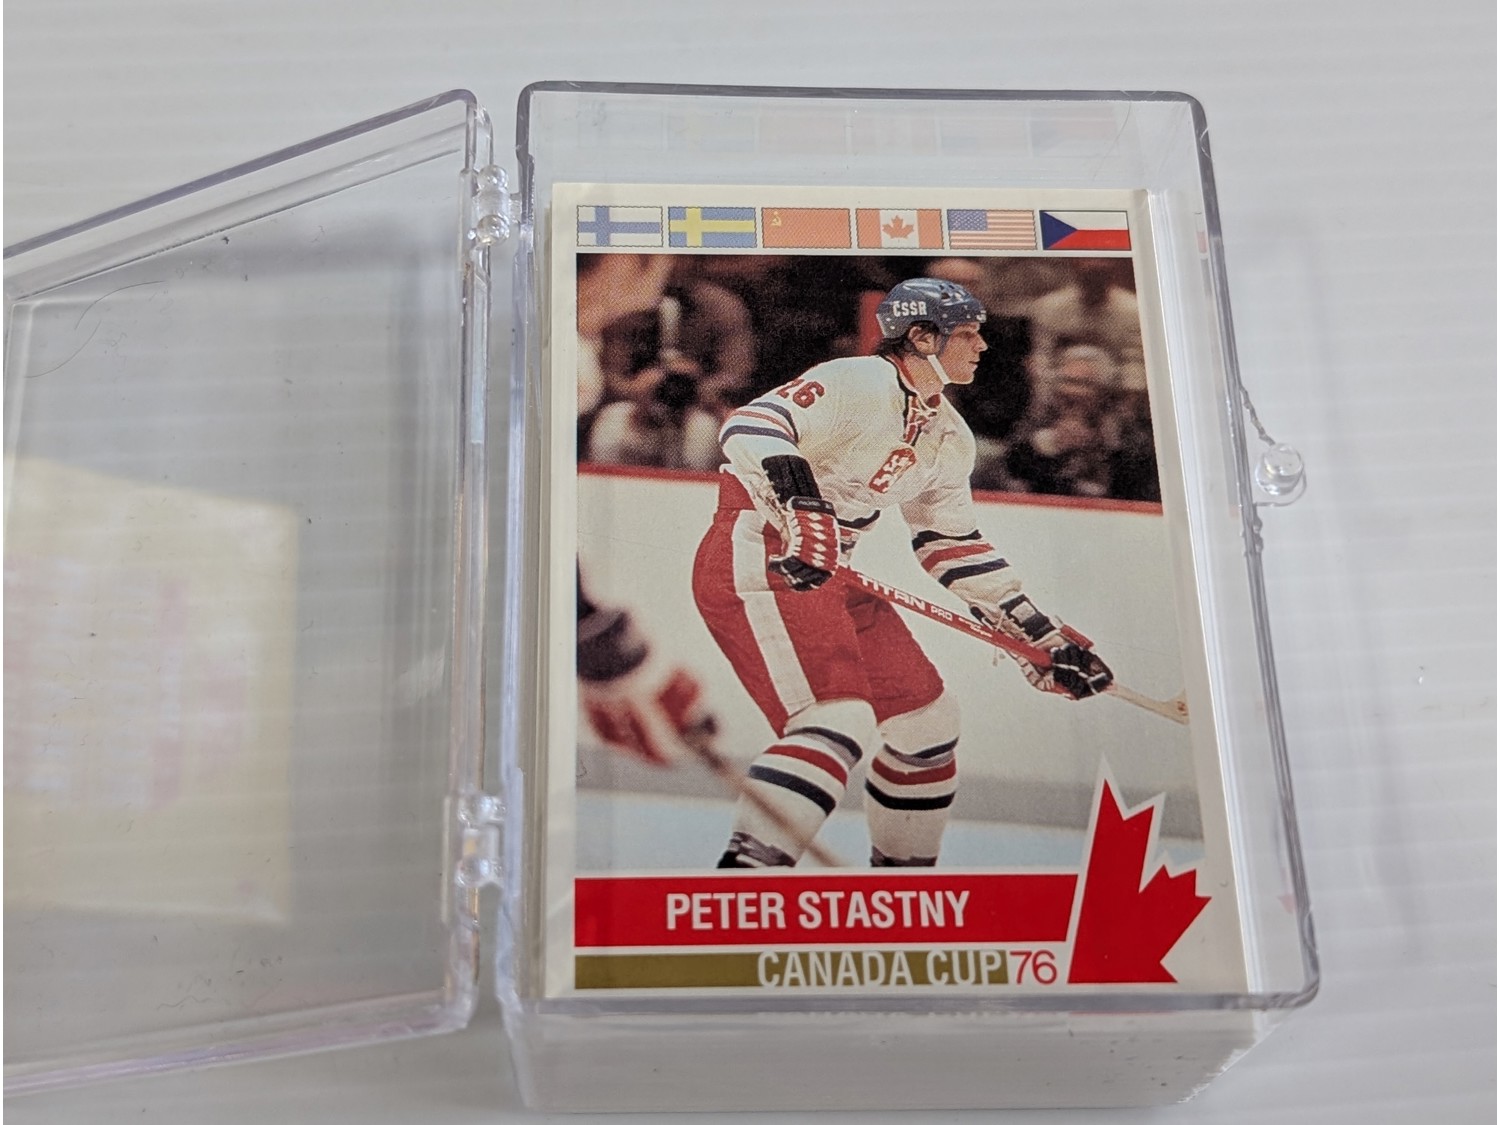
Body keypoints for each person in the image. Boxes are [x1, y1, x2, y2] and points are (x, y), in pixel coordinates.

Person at [691, 278, 1113, 869]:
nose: (982, 346)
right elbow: (749, 426)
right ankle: (743, 888)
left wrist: (1037, 632)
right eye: (967, 334)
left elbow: (950, 543)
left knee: (928, 725)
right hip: (764, 553)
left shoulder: (948, 434)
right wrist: (804, 507)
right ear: (921, 337)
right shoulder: (857, 380)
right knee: (835, 720)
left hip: (830, 572)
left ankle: (903, 887)